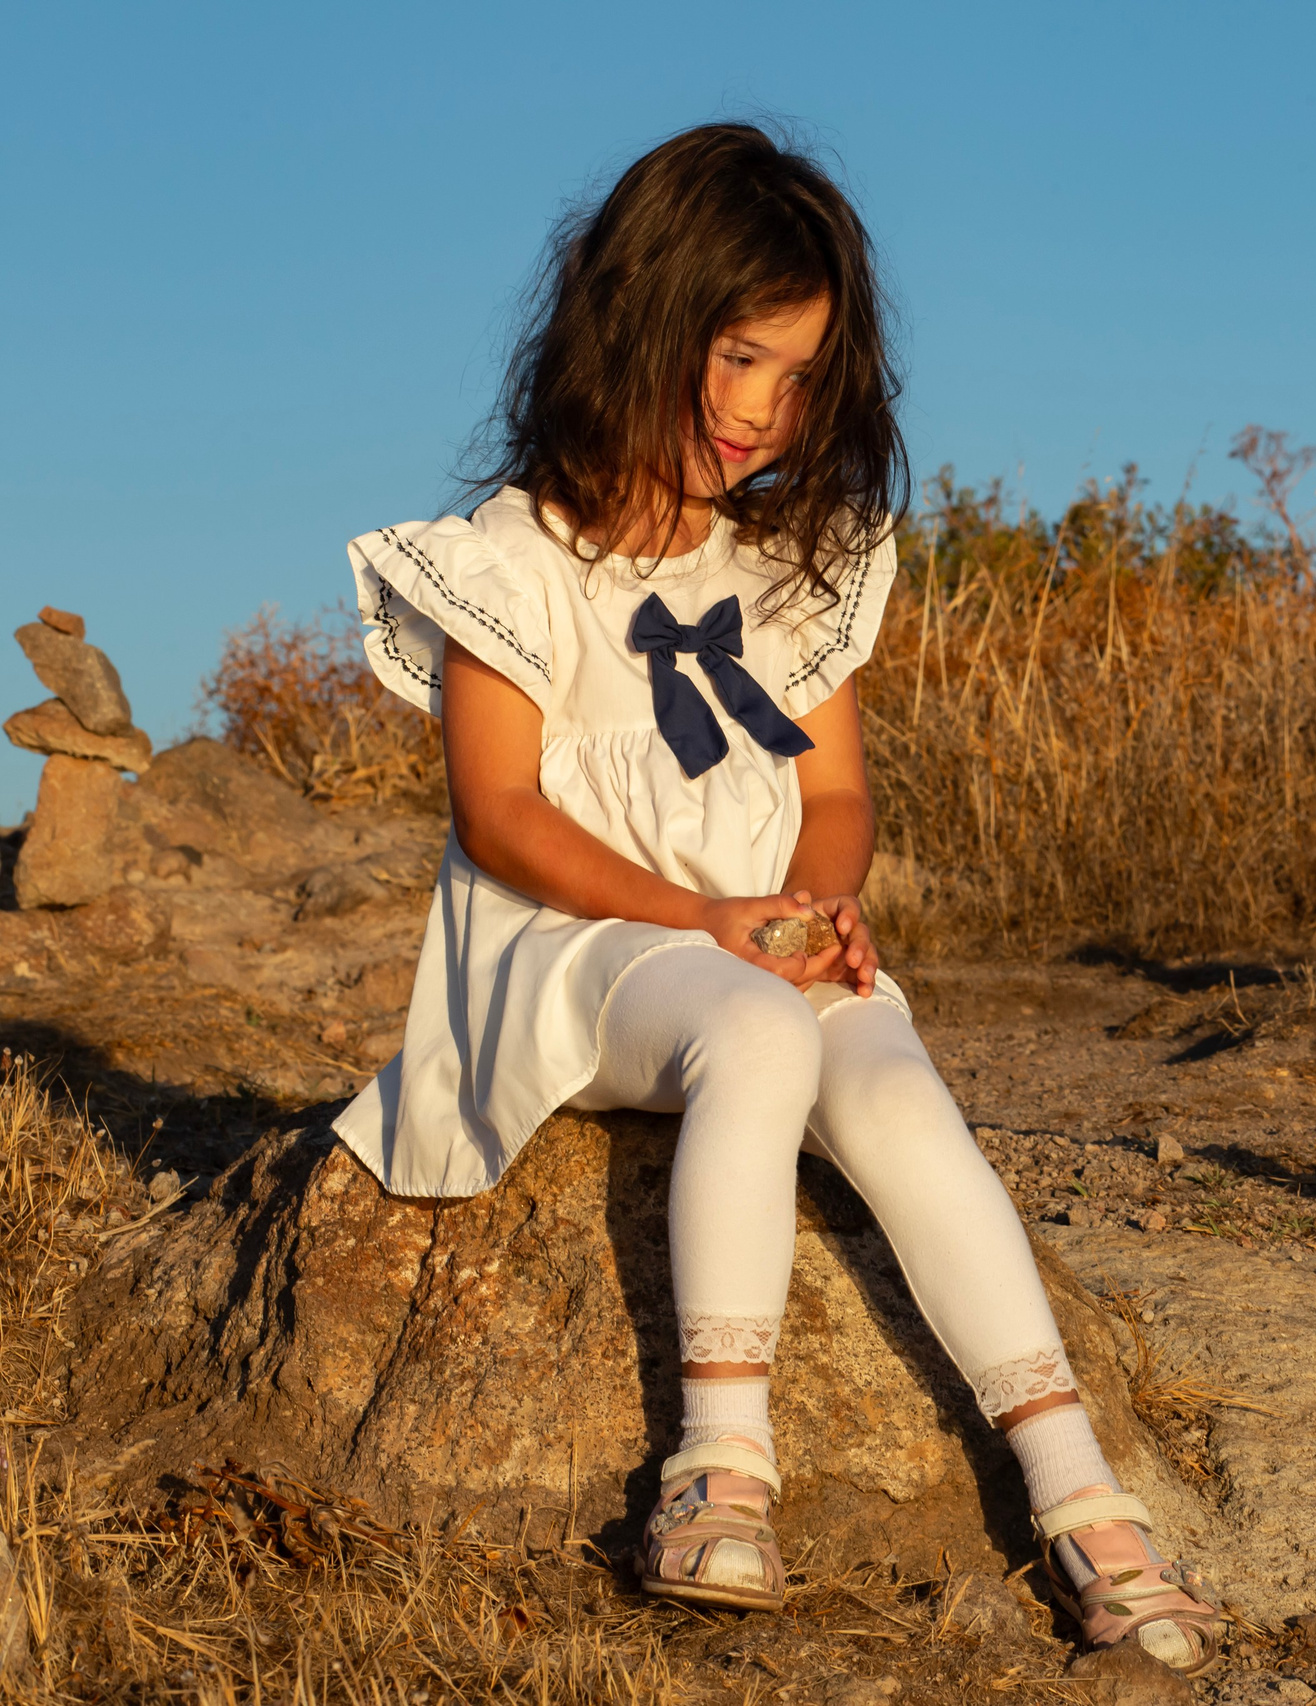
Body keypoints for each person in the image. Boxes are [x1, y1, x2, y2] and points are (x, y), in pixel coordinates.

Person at [332, 122, 1219, 1672]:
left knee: (883, 1063)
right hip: (575, 952)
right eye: (738, 356)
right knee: (755, 1031)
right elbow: (500, 813)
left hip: (739, 942)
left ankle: (1081, 1491)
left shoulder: (785, 568)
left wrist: (818, 908)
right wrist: (709, 924)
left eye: (799, 378)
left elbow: (831, 794)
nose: (761, 411)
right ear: (640, 318)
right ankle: (720, 1460)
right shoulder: (511, 558)